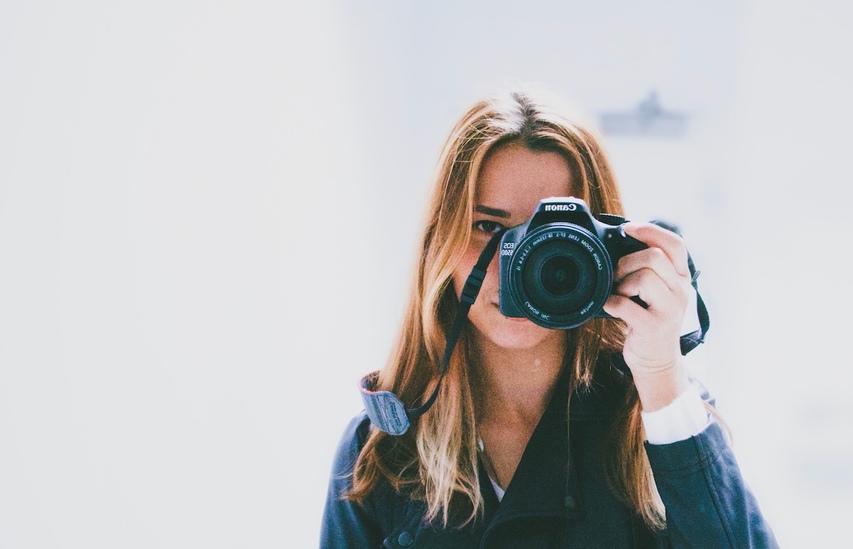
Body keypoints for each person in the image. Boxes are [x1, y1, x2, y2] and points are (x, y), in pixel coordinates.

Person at [320, 86, 778, 548]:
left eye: (550, 235)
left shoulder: (658, 414)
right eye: (488, 227)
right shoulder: (381, 449)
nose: (519, 263)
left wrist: (661, 377)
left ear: (603, 244)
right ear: (439, 240)